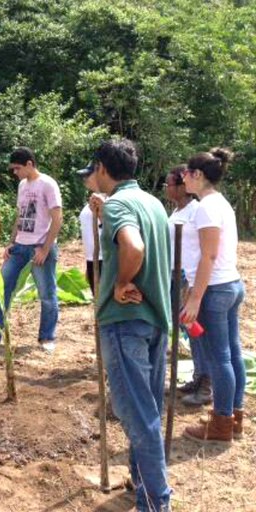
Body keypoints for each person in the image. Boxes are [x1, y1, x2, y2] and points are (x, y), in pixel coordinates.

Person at [91, 139, 172, 512]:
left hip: (125, 323)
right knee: (148, 410)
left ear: (103, 169)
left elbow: (134, 247)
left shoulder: (119, 204)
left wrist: (122, 282)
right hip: (155, 320)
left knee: (139, 417)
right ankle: (143, 491)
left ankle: (157, 504)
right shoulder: (152, 202)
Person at [180, 148, 246, 444]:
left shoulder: (206, 207)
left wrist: (194, 298)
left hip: (215, 289)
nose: (182, 177)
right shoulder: (220, 203)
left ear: (198, 175)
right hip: (230, 284)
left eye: (186, 173)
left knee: (220, 358)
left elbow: (208, 255)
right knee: (231, 354)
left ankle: (221, 424)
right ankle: (233, 417)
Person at [0, 147, 62, 353]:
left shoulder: (48, 184)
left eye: (17, 168)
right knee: (2, 288)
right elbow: (20, 216)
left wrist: (45, 249)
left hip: (40, 247)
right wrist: (11, 242)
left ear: (30, 164)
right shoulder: (22, 185)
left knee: (47, 293)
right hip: (20, 246)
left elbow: (57, 219)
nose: (15, 173)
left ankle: (47, 337)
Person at [164, 165, 209, 407]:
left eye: (169, 184)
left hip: (188, 277)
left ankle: (206, 383)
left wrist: (194, 285)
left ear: (182, 187)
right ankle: (198, 376)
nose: (166, 189)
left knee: (197, 329)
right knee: (187, 327)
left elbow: (205, 248)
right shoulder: (177, 211)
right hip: (175, 274)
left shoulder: (196, 211)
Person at [76, 163, 103, 293]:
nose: (85, 179)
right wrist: (89, 265)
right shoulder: (93, 198)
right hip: (93, 260)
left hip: (105, 260)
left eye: (88, 175)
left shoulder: (107, 199)